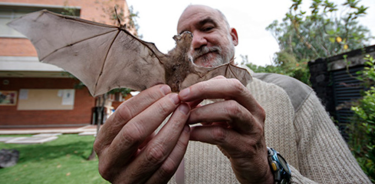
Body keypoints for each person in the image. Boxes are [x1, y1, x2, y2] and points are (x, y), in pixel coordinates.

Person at [93, 4, 371, 184]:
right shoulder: (167, 110)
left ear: (234, 36)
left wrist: (268, 175)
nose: (197, 41)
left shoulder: (291, 93)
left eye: (207, 27)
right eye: (184, 36)